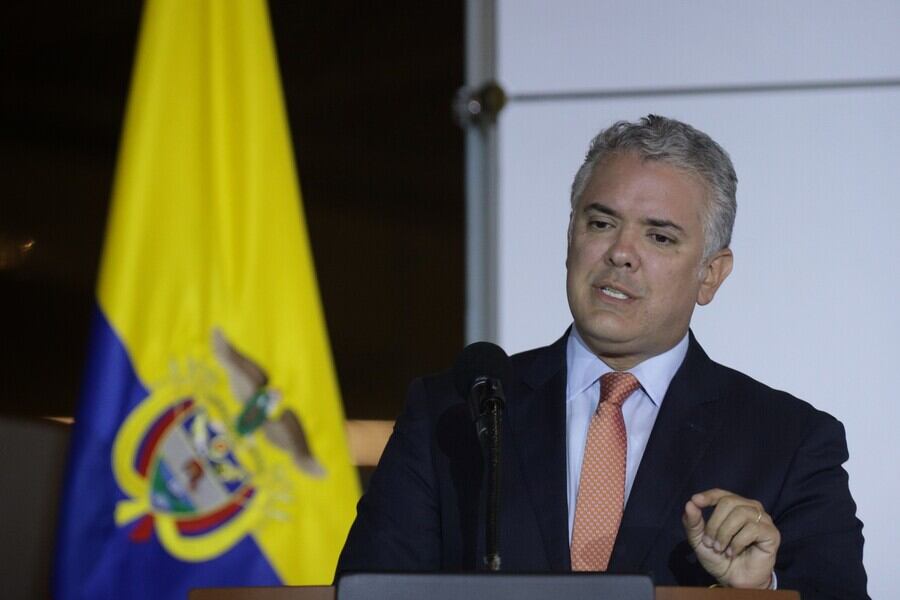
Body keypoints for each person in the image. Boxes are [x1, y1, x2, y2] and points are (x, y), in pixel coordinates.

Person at [336, 115, 868, 598]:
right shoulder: (453, 411)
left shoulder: (790, 441)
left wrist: (758, 593)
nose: (620, 253)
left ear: (710, 274)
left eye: (659, 236)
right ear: (571, 238)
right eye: (600, 223)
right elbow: (366, 591)